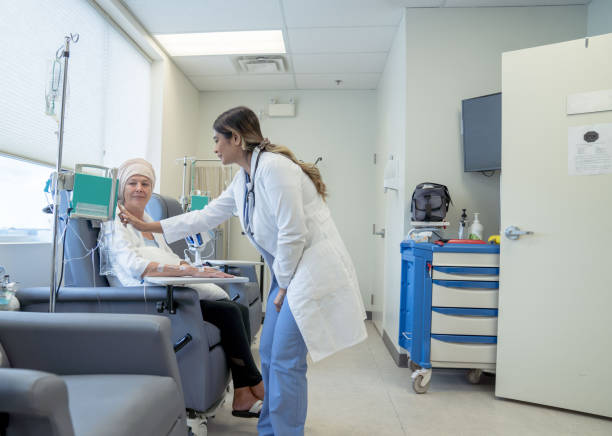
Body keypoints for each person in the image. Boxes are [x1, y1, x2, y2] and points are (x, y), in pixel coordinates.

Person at [118, 107, 368, 436]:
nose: (215, 148)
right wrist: (145, 223)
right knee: (267, 351)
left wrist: (282, 286)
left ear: (235, 138)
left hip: (308, 269)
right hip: (289, 270)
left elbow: (294, 232)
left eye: (217, 140)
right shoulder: (244, 179)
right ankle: (270, 429)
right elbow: (204, 217)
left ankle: (286, 431)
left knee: (286, 358)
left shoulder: (275, 168)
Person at [101, 158, 264, 418]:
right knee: (230, 313)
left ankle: (243, 393)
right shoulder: (114, 223)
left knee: (236, 309)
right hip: (146, 297)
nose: (139, 188)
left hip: (171, 289)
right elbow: (133, 266)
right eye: (133, 183)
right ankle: (255, 384)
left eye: (145, 183)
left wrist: (199, 270)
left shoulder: (148, 220)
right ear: (122, 188)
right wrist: (187, 271)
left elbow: (169, 257)